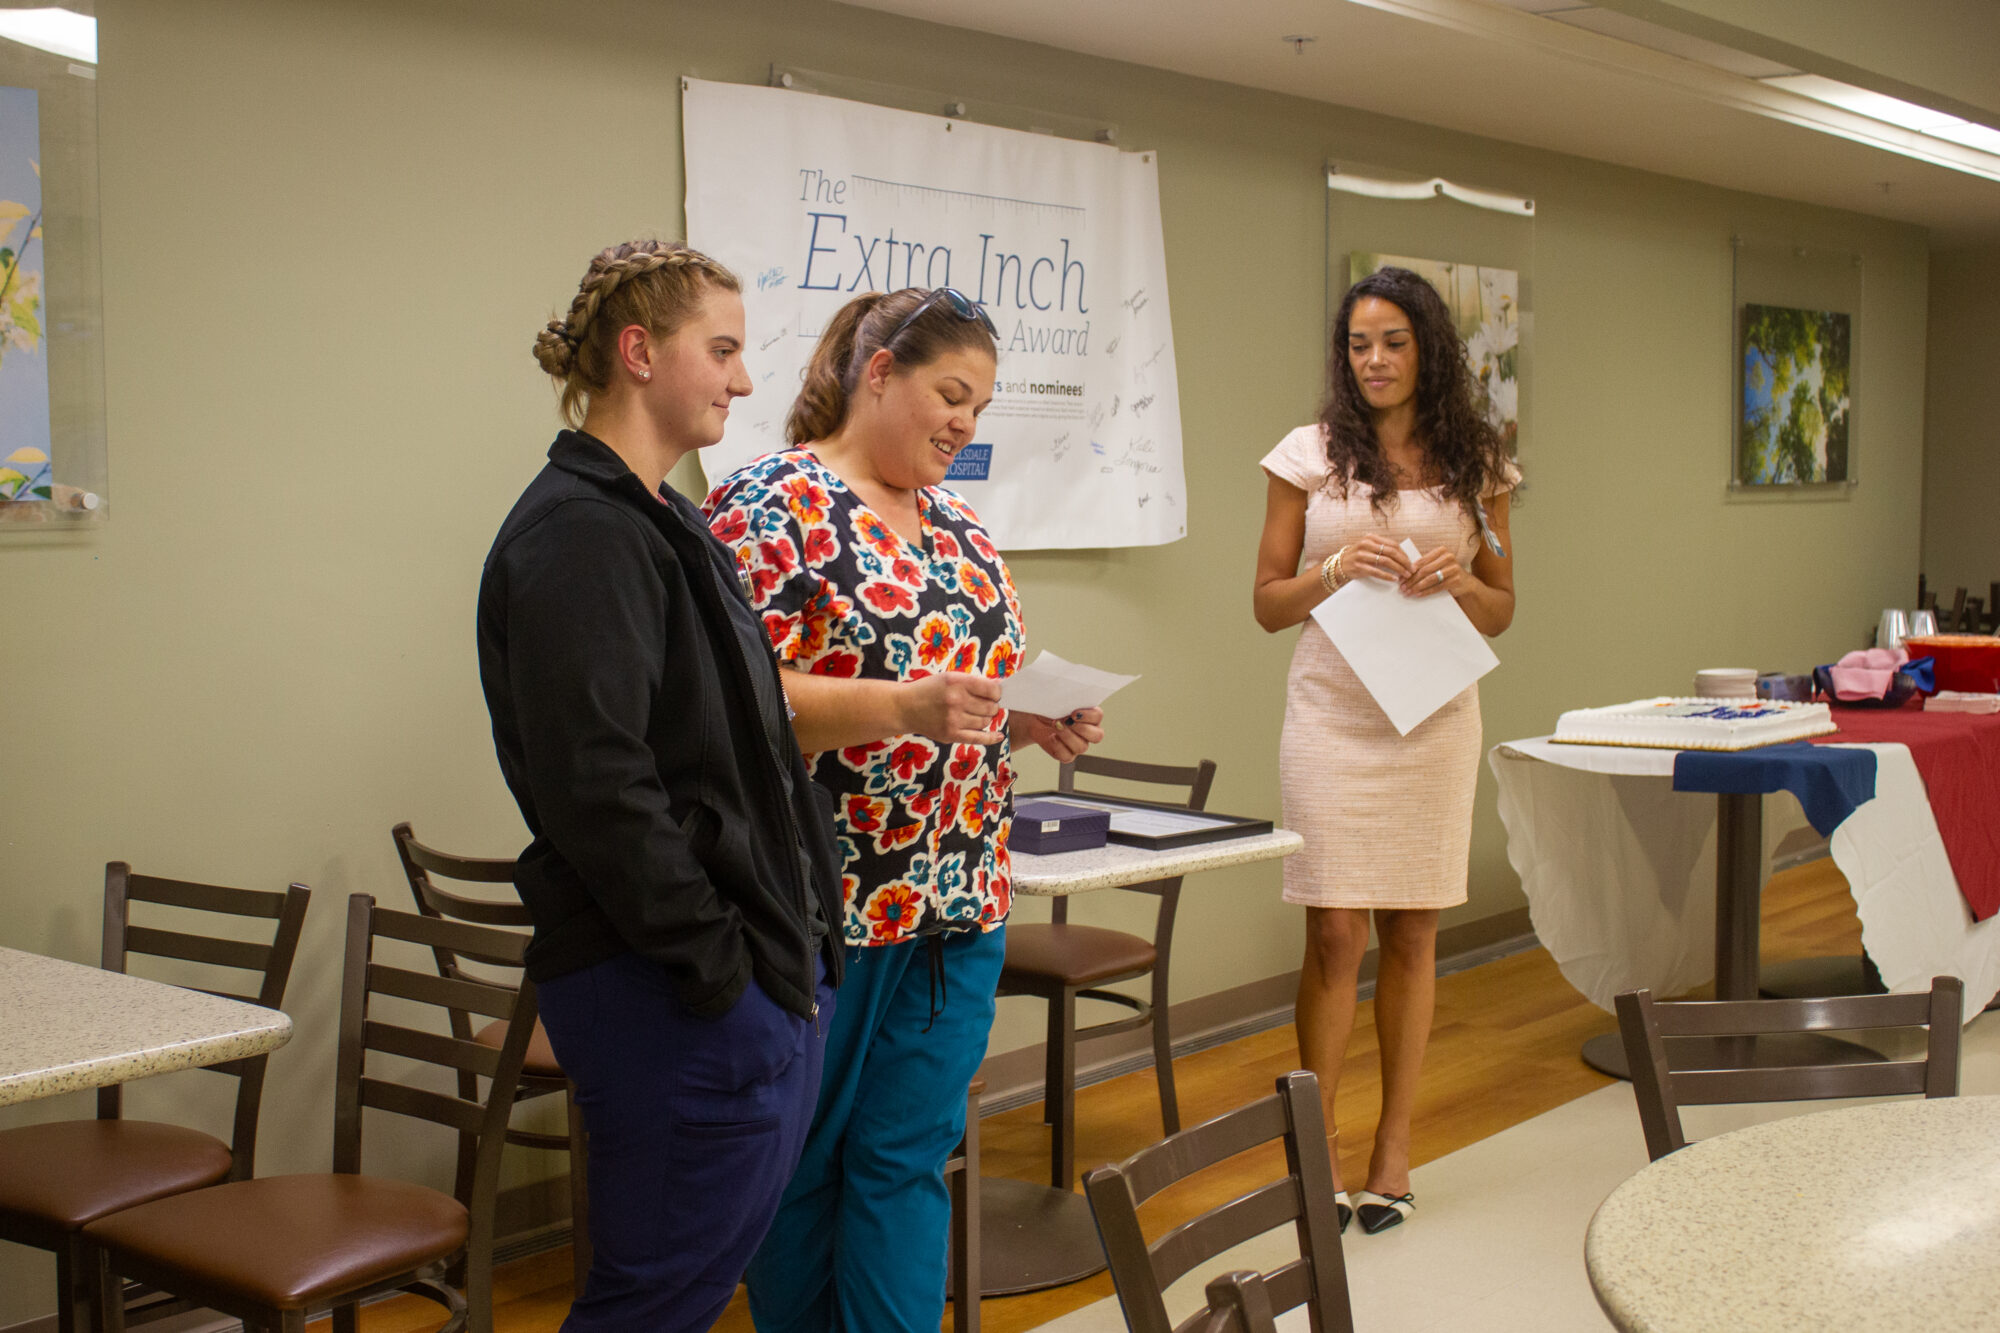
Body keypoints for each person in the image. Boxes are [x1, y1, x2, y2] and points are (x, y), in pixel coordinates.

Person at [702, 287, 1105, 1332]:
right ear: (876, 372)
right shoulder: (769, 505)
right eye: (950, 395)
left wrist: (1027, 720)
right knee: (802, 1165)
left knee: (907, 1160)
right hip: (821, 911)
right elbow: (726, 702)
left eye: (979, 408)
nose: (965, 425)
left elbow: (970, 701)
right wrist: (903, 706)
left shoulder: (960, 528)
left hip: (957, 902)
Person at [477, 239, 844, 1332]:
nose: (742, 379)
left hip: (737, 976)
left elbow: (742, 742)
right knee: (648, 1304)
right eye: (721, 349)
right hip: (671, 988)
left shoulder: (669, 517)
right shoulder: (579, 534)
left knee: (685, 1289)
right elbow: (602, 790)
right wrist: (721, 974)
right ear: (638, 353)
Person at [1251, 265, 1518, 1236]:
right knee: (1333, 934)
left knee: (1412, 933)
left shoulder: (1474, 461)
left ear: (1426, 351)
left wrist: (1453, 578)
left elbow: (1500, 606)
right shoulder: (1307, 455)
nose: (1372, 359)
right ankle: (1312, 1153)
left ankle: (1391, 1151)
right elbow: (1266, 602)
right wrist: (1330, 568)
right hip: (1329, 718)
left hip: (1432, 719)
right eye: (1357, 343)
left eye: (1392, 342)